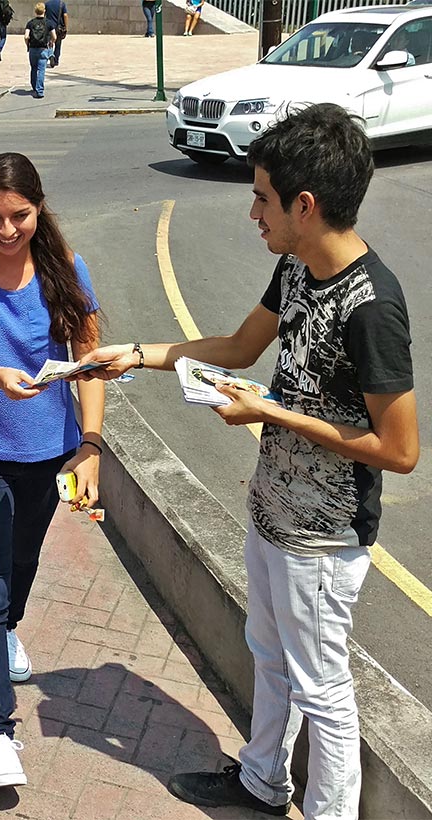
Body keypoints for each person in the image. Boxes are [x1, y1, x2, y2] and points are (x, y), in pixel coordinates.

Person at [76, 103, 419, 819]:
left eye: (261, 197)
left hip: (324, 540)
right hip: (271, 512)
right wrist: (135, 354)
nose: (252, 213)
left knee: (322, 688)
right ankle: (263, 781)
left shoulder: (373, 306)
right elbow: (236, 350)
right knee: (268, 655)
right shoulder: (296, 268)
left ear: (306, 203)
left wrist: (269, 413)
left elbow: (401, 450)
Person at [0, 153, 105, 788]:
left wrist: (90, 446)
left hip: (50, 452)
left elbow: (88, 360)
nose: (6, 231)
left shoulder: (67, 269)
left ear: (38, 209)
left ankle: (7, 632)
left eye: (19, 217)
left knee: (23, 564)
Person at [24, 3, 56, 98]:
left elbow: (26, 36)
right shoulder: (49, 23)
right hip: (43, 49)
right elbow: (54, 36)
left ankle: (34, 86)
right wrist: (51, 42)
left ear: (35, 11)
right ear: (44, 11)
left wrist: (28, 45)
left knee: (33, 68)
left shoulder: (30, 23)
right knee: (41, 70)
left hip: (33, 49)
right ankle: (40, 91)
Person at [44, 0, 67, 66]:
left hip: (49, 27)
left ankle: (50, 55)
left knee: (49, 43)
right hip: (58, 27)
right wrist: (66, 27)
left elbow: (43, 14)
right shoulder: (62, 4)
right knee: (58, 44)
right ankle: (56, 60)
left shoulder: (47, 4)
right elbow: (65, 15)